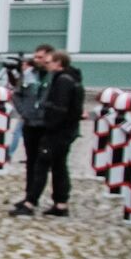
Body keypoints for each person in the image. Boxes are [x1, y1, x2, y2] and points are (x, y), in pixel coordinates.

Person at [11, 50, 83, 218]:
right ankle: (60, 204)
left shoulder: (63, 81)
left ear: (59, 63)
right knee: (58, 167)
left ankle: (31, 203)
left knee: (42, 166)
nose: (46, 65)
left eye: (49, 62)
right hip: (63, 130)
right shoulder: (69, 78)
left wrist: (50, 125)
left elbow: (59, 108)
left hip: (58, 131)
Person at [9, 44, 53, 164]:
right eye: (35, 57)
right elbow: (17, 93)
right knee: (32, 162)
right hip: (30, 120)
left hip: (47, 122)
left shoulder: (54, 76)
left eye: (40, 57)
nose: (36, 60)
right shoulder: (29, 74)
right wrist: (23, 111)